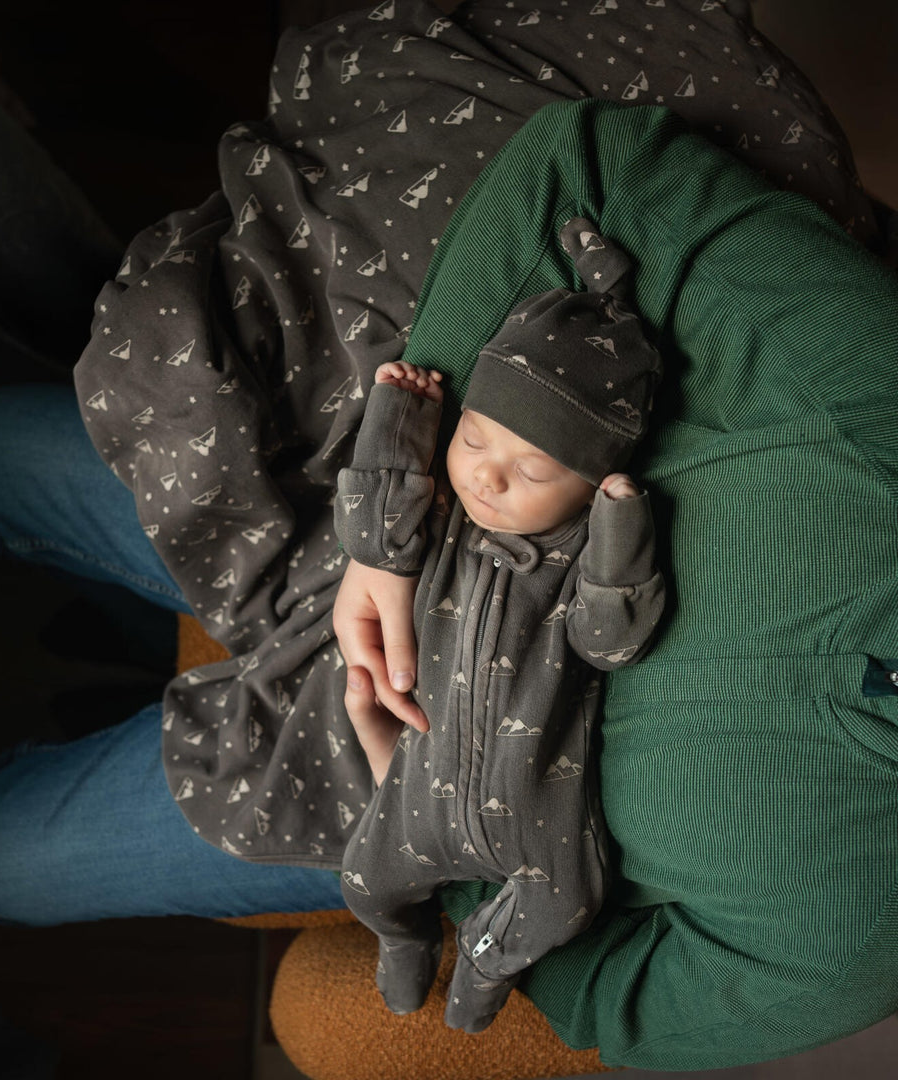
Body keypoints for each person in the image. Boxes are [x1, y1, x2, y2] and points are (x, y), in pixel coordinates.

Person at [332, 218, 665, 1033]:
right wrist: (400, 417)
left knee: (570, 906)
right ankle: (402, 938)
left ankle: (486, 959)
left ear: (590, 485)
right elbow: (379, 529)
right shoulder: (444, 524)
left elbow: (609, 641)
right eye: (475, 438)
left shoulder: (576, 556)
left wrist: (621, 544)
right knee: (362, 883)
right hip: (413, 801)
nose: (487, 473)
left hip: (536, 819)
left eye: (533, 470)